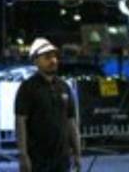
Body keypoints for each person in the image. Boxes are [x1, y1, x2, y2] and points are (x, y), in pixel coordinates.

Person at [15, 38, 82, 172]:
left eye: (54, 57)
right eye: (47, 57)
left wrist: (77, 153)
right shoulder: (27, 88)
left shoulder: (64, 87)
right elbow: (20, 122)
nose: (53, 61)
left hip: (62, 159)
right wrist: (23, 155)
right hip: (38, 160)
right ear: (36, 61)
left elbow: (71, 122)